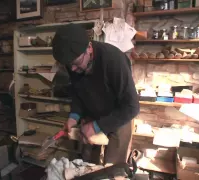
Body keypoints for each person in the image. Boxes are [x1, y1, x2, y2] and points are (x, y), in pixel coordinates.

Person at [52, 23, 140, 165]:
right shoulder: (73, 62)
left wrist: (96, 126)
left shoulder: (114, 60)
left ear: (89, 48)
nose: (72, 70)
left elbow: (132, 107)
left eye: (76, 63)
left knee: (112, 167)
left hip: (119, 115)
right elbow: (78, 92)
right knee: (87, 163)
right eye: (69, 66)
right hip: (92, 114)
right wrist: (73, 117)